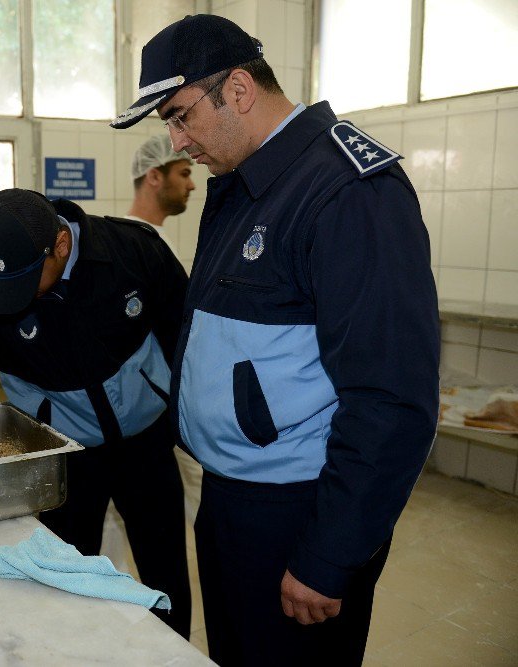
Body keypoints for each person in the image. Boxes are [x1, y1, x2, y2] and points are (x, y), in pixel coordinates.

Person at [111, 14, 439, 666]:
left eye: (180, 116)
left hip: (297, 513)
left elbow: (392, 395)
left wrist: (331, 551)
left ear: (237, 89)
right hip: (230, 500)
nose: (177, 142)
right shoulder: (240, 186)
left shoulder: (345, 188)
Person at [0, 188, 193, 638]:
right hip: (64, 459)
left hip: (147, 444)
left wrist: (183, 420)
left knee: (165, 570)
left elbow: (187, 335)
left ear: (61, 245)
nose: (9, 298)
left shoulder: (132, 249)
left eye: (25, 281)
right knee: (62, 580)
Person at [125, 135, 196, 254]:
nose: (192, 186)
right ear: (154, 177)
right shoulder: (131, 244)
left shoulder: (153, 238)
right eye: (184, 174)